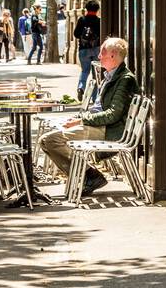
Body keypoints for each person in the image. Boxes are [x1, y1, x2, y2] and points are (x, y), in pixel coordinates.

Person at [38, 37, 138, 197]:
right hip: (99, 125)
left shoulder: (124, 79)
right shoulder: (111, 76)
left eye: (102, 53)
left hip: (109, 130)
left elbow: (113, 115)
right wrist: (80, 118)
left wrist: (82, 120)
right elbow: (99, 108)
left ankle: (89, 175)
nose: (99, 56)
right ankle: (87, 175)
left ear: (113, 55)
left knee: (50, 140)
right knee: (46, 140)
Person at [72, 0, 102, 101]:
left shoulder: (82, 19)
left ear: (86, 9)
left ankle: (81, 87)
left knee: (85, 71)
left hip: (83, 49)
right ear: (97, 10)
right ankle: (94, 97)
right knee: (95, 74)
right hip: (96, 49)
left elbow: (76, 34)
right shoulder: (99, 21)